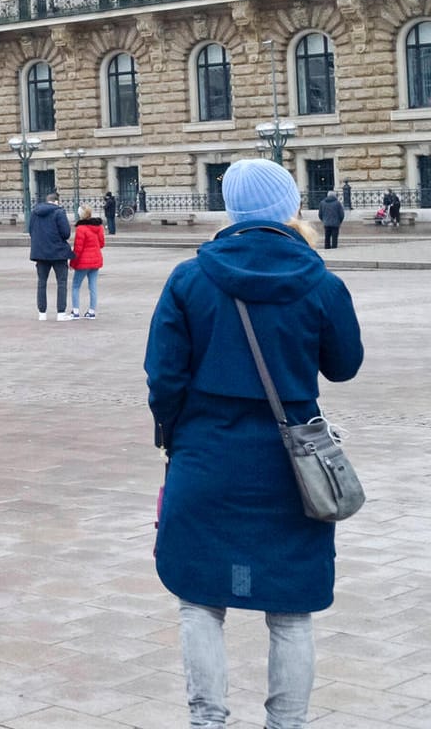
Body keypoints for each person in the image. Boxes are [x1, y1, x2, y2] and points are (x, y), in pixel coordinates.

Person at [145, 158, 363, 729]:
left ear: (232, 210)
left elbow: (163, 378)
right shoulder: (319, 280)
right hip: (290, 467)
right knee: (290, 610)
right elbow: (345, 367)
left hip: (206, 457)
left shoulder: (190, 278)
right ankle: (286, 724)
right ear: (288, 207)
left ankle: (207, 720)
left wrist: (176, 439)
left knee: (199, 600)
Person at [28, 191, 73, 321]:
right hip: (58, 253)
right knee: (61, 283)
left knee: (41, 282)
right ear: (56, 201)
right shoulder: (59, 212)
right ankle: (61, 313)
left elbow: (31, 231)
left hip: (40, 253)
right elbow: (66, 233)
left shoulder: (35, 213)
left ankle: (42, 313)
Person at [69, 206, 105, 319]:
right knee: (93, 286)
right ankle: (92, 311)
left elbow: (78, 248)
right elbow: (102, 244)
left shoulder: (81, 228)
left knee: (75, 285)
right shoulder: (98, 227)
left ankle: (75, 311)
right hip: (96, 259)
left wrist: (72, 262)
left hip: (83, 262)